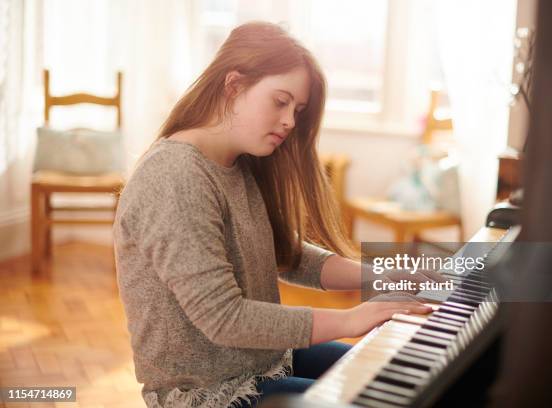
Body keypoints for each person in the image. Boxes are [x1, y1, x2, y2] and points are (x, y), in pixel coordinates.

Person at [113, 22, 435, 408]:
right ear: (233, 85)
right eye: (280, 102)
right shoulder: (174, 175)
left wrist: (378, 276)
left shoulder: (237, 163)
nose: (290, 122)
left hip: (266, 361)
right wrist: (351, 319)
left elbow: (283, 254)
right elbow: (225, 319)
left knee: (404, 378)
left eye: (296, 110)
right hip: (211, 392)